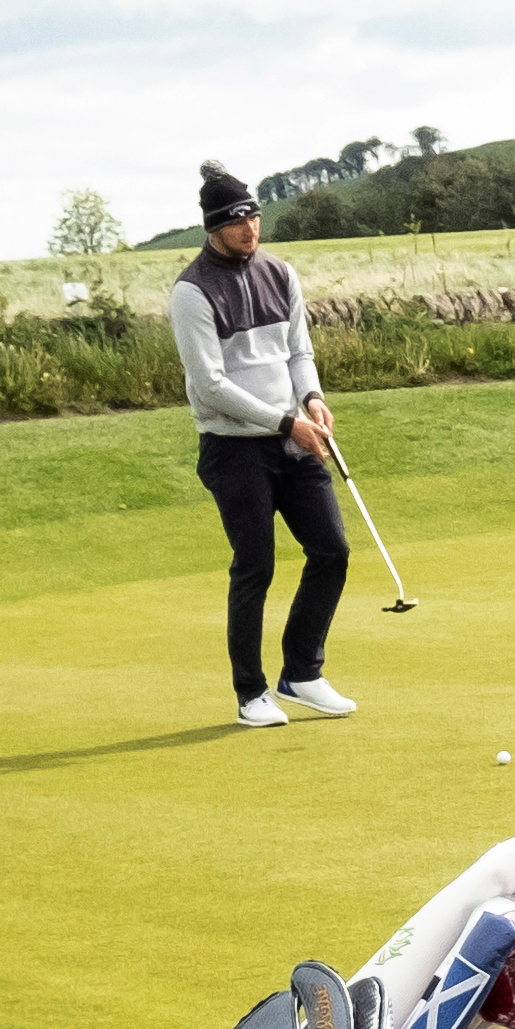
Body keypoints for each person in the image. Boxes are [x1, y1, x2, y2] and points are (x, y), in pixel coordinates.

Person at [172, 165, 359, 727]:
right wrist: (285, 423)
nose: (249, 228)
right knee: (255, 566)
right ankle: (251, 693)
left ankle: (301, 673)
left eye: (253, 216)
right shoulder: (192, 291)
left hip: (293, 440)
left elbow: (298, 352)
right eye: (236, 221)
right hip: (234, 449)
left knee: (331, 551)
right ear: (213, 227)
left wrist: (312, 399)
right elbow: (210, 385)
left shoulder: (280, 273)